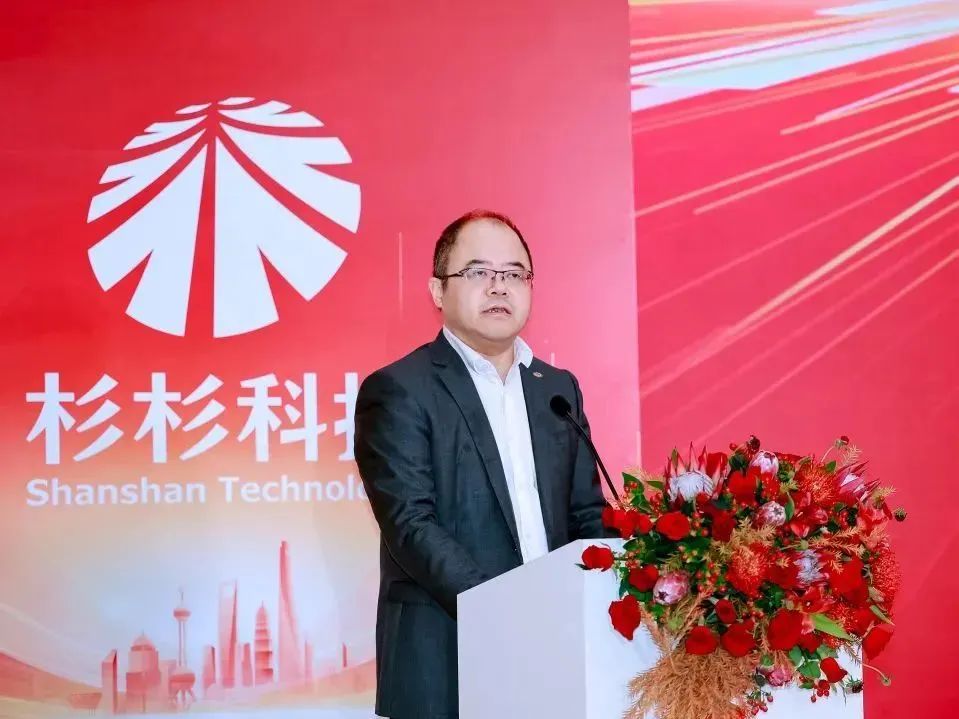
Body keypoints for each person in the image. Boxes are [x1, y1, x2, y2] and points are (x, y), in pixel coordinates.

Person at [355, 209, 609, 719]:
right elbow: (411, 525)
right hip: (445, 656)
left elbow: (586, 516)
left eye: (514, 273)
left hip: (557, 650)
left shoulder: (557, 389)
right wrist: (504, 611)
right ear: (437, 290)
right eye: (478, 272)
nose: (498, 287)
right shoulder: (399, 390)